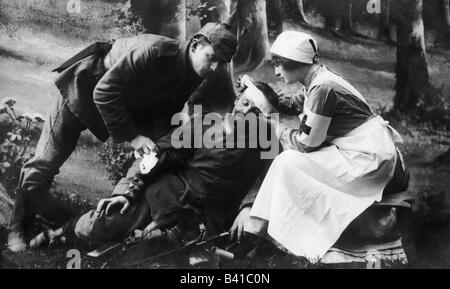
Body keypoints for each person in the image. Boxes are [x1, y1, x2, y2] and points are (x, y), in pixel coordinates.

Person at [8, 23, 238, 252]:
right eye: (212, 57)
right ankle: (18, 226)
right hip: (83, 91)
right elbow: (104, 91)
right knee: (46, 161)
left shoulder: (195, 69)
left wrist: (159, 149)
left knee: (153, 160)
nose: (215, 67)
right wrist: (135, 137)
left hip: (122, 107)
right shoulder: (153, 51)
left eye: (221, 63)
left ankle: (109, 223)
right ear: (196, 45)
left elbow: (165, 107)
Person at [30, 78, 281, 248]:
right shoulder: (205, 123)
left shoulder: (267, 142)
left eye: (256, 113)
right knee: (98, 225)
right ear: (237, 100)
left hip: (208, 218)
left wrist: (249, 208)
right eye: (245, 103)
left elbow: (270, 181)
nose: (246, 113)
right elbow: (160, 153)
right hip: (165, 194)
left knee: (160, 254)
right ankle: (61, 234)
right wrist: (127, 190)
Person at [231, 31, 409, 261]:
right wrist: (258, 89)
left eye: (279, 65)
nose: (275, 71)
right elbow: (291, 103)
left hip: (367, 159)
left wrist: (276, 129)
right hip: (361, 149)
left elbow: (306, 144)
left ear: (297, 63)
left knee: (287, 162)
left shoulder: (322, 89)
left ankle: (261, 233)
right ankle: (258, 231)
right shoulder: (318, 78)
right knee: (289, 166)